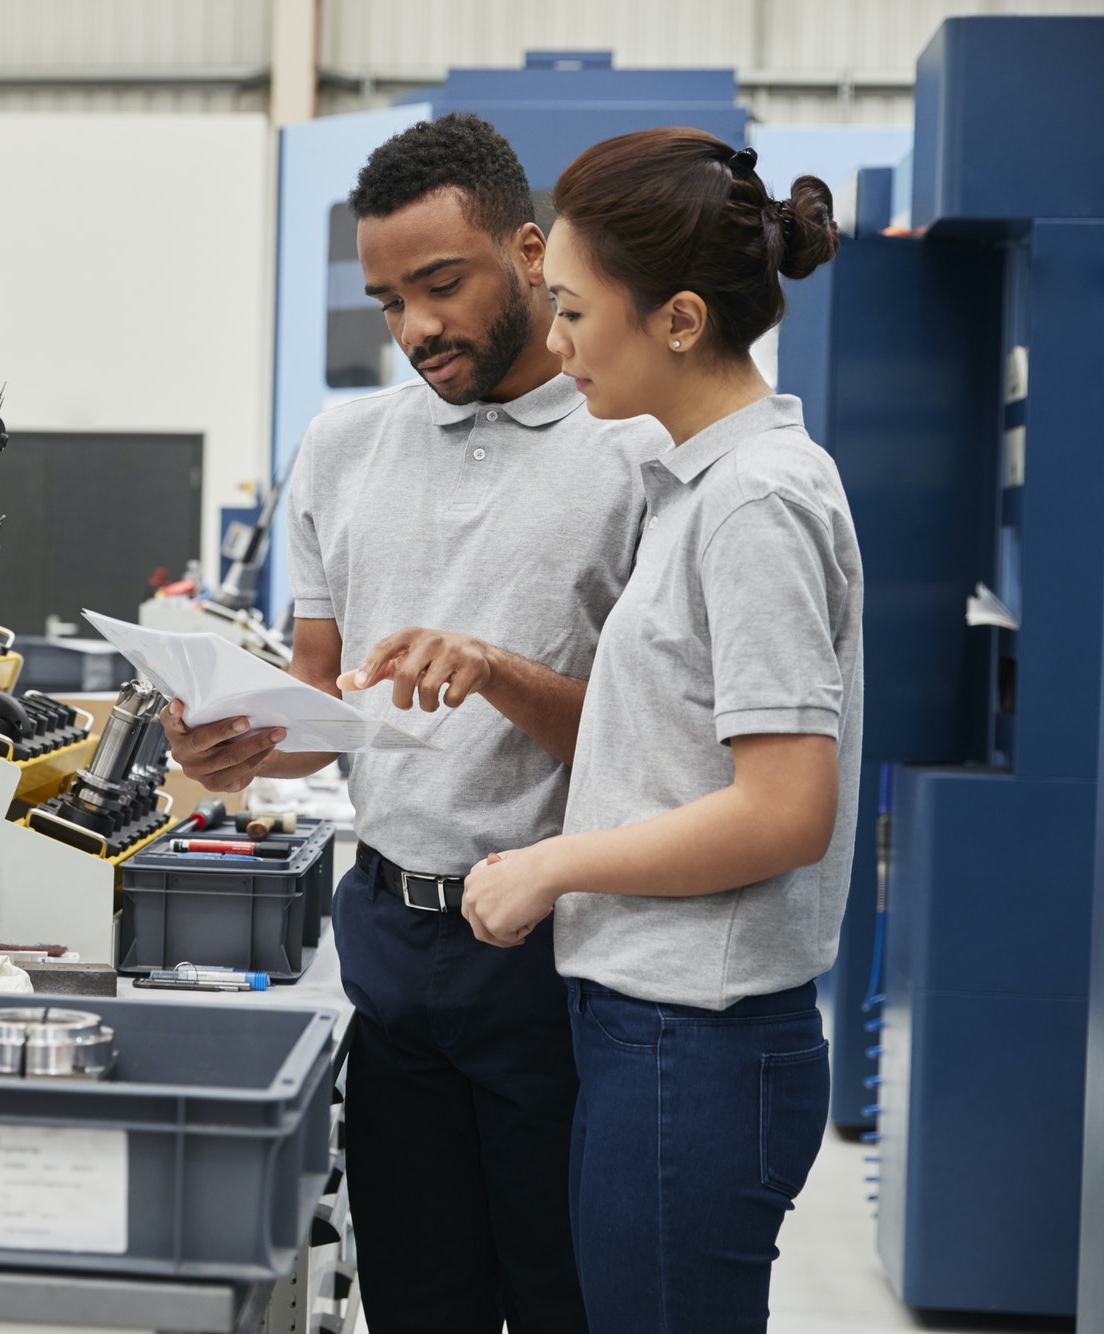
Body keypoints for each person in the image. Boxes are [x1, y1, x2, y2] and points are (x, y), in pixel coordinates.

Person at [162, 113, 665, 1332]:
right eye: (388, 300)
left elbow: (660, 745)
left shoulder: (637, 450)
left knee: (566, 1296)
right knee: (414, 1295)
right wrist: (229, 742)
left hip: (560, 948)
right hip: (386, 940)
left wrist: (494, 669)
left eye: (440, 285)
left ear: (531, 254)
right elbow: (321, 699)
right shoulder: (341, 447)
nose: (415, 328)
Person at [461, 131, 859, 1332]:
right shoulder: (696, 486)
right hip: (655, 1029)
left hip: (700, 1042)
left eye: (575, 312)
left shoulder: (756, 502)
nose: (558, 343)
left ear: (679, 319)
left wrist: (550, 861)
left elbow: (785, 809)